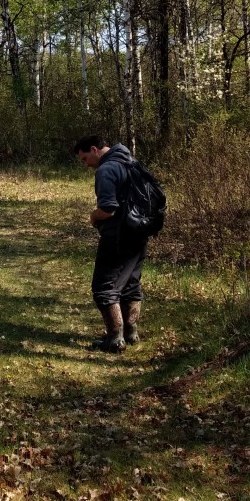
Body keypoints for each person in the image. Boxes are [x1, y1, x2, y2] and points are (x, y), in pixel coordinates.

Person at [73, 134, 148, 353]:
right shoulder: (132, 162)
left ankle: (115, 339)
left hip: (118, 236)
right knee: (131, 285)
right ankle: (131, 333)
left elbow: (108, 208)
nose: (86, 164)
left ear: (94, 149)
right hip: (139, 233)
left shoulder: (106, 170)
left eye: (85, 158)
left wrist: (94, 216)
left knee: (104, 287)